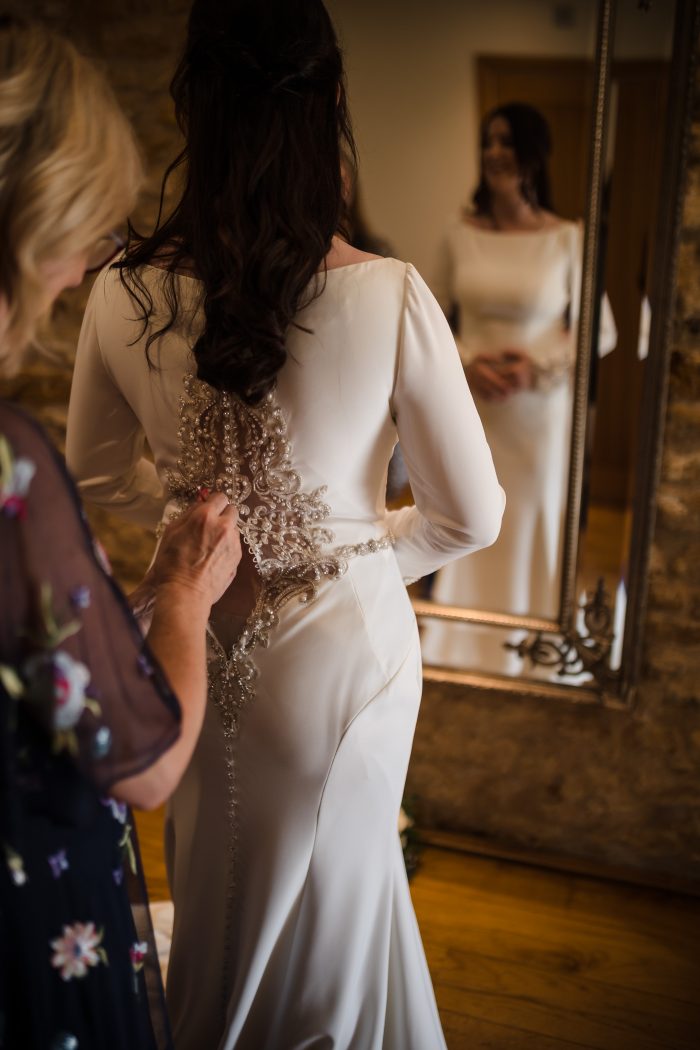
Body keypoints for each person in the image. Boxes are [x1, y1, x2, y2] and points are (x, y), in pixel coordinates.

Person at [65, 2, 505, 1047]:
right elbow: (471, 517)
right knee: (341, 912)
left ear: (194, 109)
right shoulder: (390, 295)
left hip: (198, 629)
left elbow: (89, 475)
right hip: (347, 650)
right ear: (327, 112)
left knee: (214, 889)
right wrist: (346, 554)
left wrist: (197, 526)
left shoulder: (119, 292)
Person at [0, 17, 241, 1049]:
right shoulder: (8, 465)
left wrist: (102, 604)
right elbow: (145, 768)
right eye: (90, 233)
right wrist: (183, 594)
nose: (88, 263)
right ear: (30, 219)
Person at [420, 102, 617, 674]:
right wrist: (468, 363)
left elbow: (599, 329)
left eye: (508, 141)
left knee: (530, 517)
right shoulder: (459, 235)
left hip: (540, 414)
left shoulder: (568, 238)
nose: (496, 153)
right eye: (489, 141)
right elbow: (429, 317)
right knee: (472, 506)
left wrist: (536, 368)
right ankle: (464, 637)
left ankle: (534, 646)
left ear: (534, 153)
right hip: (475, 405)